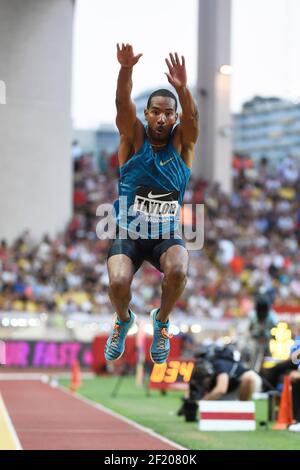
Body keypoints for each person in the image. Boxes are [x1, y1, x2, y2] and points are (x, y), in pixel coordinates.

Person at [104, 43, 199, 364]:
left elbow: (194, 118)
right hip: (129, 233)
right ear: (146, 114)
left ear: (175, 117)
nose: (161, 118)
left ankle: (161, 322)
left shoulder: (183, 146)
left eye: (168, 113)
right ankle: (123, 320)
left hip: (164, 235)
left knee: (178, 270)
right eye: (155, 111)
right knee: (117, 281)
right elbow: (121, 102)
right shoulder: (132, 139)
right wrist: (126, 69)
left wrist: (183, 89)